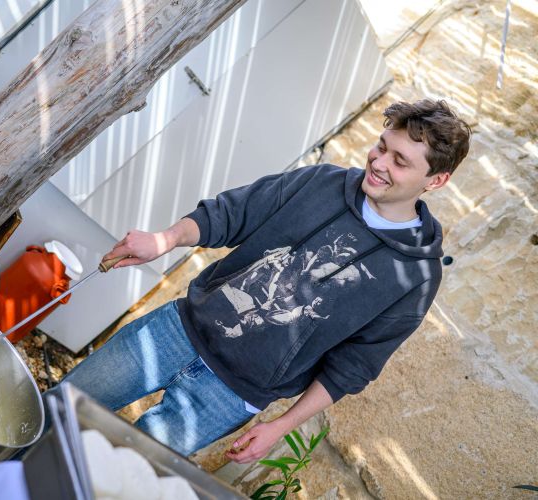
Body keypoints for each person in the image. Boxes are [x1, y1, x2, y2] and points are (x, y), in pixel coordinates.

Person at [58, 99, 471, 463]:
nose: (379, 163)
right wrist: (163, 240)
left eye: (400, 161)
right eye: (381, 146)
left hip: (229, 397)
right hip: (175, 331)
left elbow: (354, 366)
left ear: (435, 180)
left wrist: (281, 425)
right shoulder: (321, 182)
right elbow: (232, 213)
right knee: (54, 413)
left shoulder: (417, 277)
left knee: (111, 477)